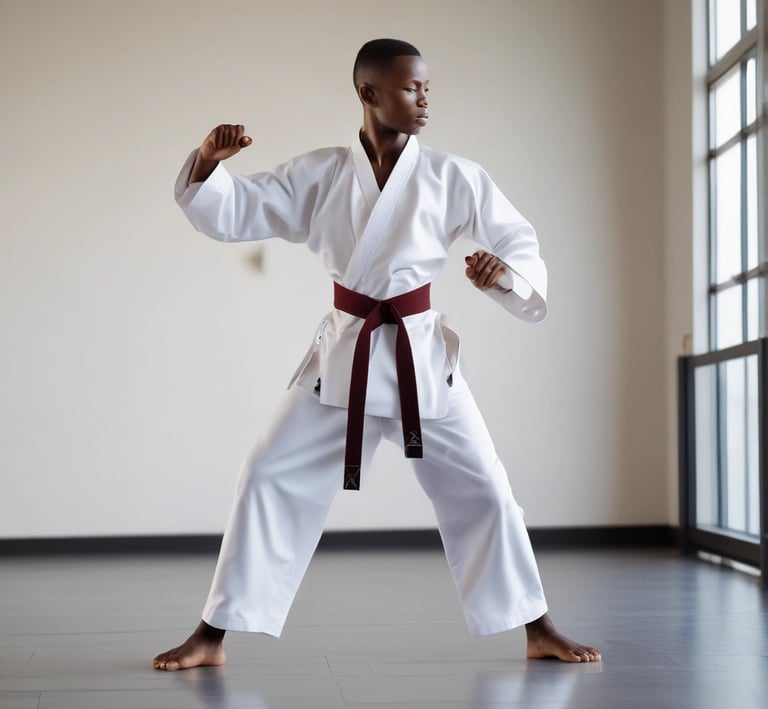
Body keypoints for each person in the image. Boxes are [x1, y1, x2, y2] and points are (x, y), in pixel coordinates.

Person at [153, 38, 601, 670]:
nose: (423, 100)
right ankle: (211, 634)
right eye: (409, 88)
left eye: (426, 89)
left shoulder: (454, 175)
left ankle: (539, 627)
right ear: (368, 93)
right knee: (264, 475)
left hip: (422, 361)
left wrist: (500, 273)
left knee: (488, 490)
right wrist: (206, 164)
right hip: (346, 356)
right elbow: (241, 209)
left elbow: (516, 239)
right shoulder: (321, 173)